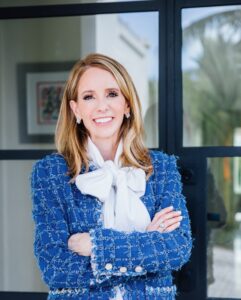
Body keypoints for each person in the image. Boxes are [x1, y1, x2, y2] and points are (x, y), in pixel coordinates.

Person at [31, 53, 192, 300]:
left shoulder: (161, 168)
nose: (101, 106)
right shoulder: (51, 173)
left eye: (112, 94)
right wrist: (147, 245)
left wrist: (96, 247)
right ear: (76, 109)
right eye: (88, 97)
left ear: (127, 104)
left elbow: (177, 248)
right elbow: (55, 268)